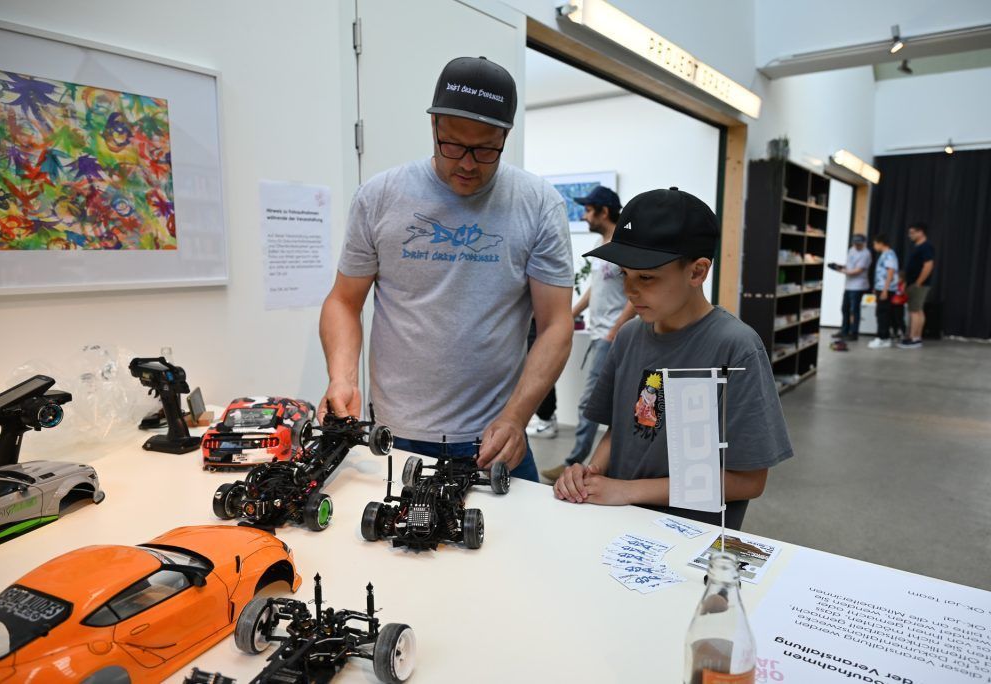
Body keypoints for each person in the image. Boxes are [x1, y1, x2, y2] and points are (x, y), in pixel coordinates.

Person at [319, 56, 574, 483]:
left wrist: (516, 417)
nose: (468, 164)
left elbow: (556, 325)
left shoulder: (538, 204)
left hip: (494, 440)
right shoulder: (380, 196)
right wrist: (340, 377)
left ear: (506, 136)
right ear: (434, 126)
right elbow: (344, 301)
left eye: (486, 149)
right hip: (393, 437)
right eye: (453, 144)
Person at [552, 187, 793, 529]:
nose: (631, 291)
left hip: (691, 539)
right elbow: (617, 431)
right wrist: (590, 475)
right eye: (625, 275)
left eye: (647, 277)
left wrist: (628, 490)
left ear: (697, 272)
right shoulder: (629, 337)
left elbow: (749, 481)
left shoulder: (736, 348)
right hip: (617, 526)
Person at [540, 186, 634, 482]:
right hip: (600, 333)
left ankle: (574, 463)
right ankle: (593, 464)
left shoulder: (626, 245)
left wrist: (616, 330)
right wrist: (570, 313)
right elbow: (597, 288)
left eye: (588, 209)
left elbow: (636, 292)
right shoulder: (602, 243)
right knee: (606, 402)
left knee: (589, 402)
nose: (584, 215)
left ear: (604, 211)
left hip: (613, 335)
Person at [898, 222, 935, 349]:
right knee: (917, 310)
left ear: (921, 232)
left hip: (919, 284)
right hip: (913, 283)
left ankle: (914, 339)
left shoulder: (926, 246)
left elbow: (928, 265)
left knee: (915, 311)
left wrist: (918, 283)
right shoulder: (917, 246)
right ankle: (915, 337)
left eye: (912, 233)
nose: (910, 235)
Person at [832, 234, 872, 342]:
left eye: (859, 244)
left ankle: (854, 333)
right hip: (849, 285)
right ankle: (844, 331)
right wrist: (838, 266)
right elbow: (849, 266)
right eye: (855, 243)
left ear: (864, 243)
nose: (857, 246)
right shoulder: (851, 249)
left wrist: (840, 271)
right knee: (844, 308)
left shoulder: (866, 254)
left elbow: (857, 271)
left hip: (858, 286)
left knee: (854, 310)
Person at [868, 233, 899, 349]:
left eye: (875, 244)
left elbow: (890, 272)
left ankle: (882, 338)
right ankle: (884, 337)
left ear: (881, 243)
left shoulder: (889, 255)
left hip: (887, 289)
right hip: (881, 288)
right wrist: (877, 288)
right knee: (881, 313)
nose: (874, 246)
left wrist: (885, 290)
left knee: (882, 313)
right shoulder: (884, 254)